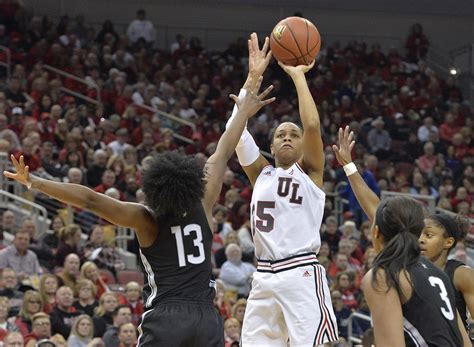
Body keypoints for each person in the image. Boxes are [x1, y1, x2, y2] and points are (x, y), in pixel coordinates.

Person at [3, 75, 274, 346]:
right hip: (206, 317)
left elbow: (90, 200)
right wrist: (247, 96)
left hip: (167, 317)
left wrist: (35, 182)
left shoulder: (147, 219)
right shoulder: (203, 205)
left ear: (154, 189)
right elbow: (224, 149)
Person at [227, 33, 338, 346]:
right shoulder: (261, 173)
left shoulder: (311, 172)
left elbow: (313, 126)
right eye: (280, 134)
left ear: (302, 146)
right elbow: (232, 132)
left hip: (300, 271)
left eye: (293, 134)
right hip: (263, 275)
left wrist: (299, 77)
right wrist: (251, 79)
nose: (287, 137)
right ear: (272, 145)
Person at [332, 126, 470, 346]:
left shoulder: (385, 275)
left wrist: (349, 166)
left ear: (375, 232)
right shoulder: (439, 274)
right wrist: (349, 167)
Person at [419, 213, 474, 331]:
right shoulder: (409, 271)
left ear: (448, 242)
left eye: (428, 235)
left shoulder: (461, 274)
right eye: (418, 234)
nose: (420, 240)